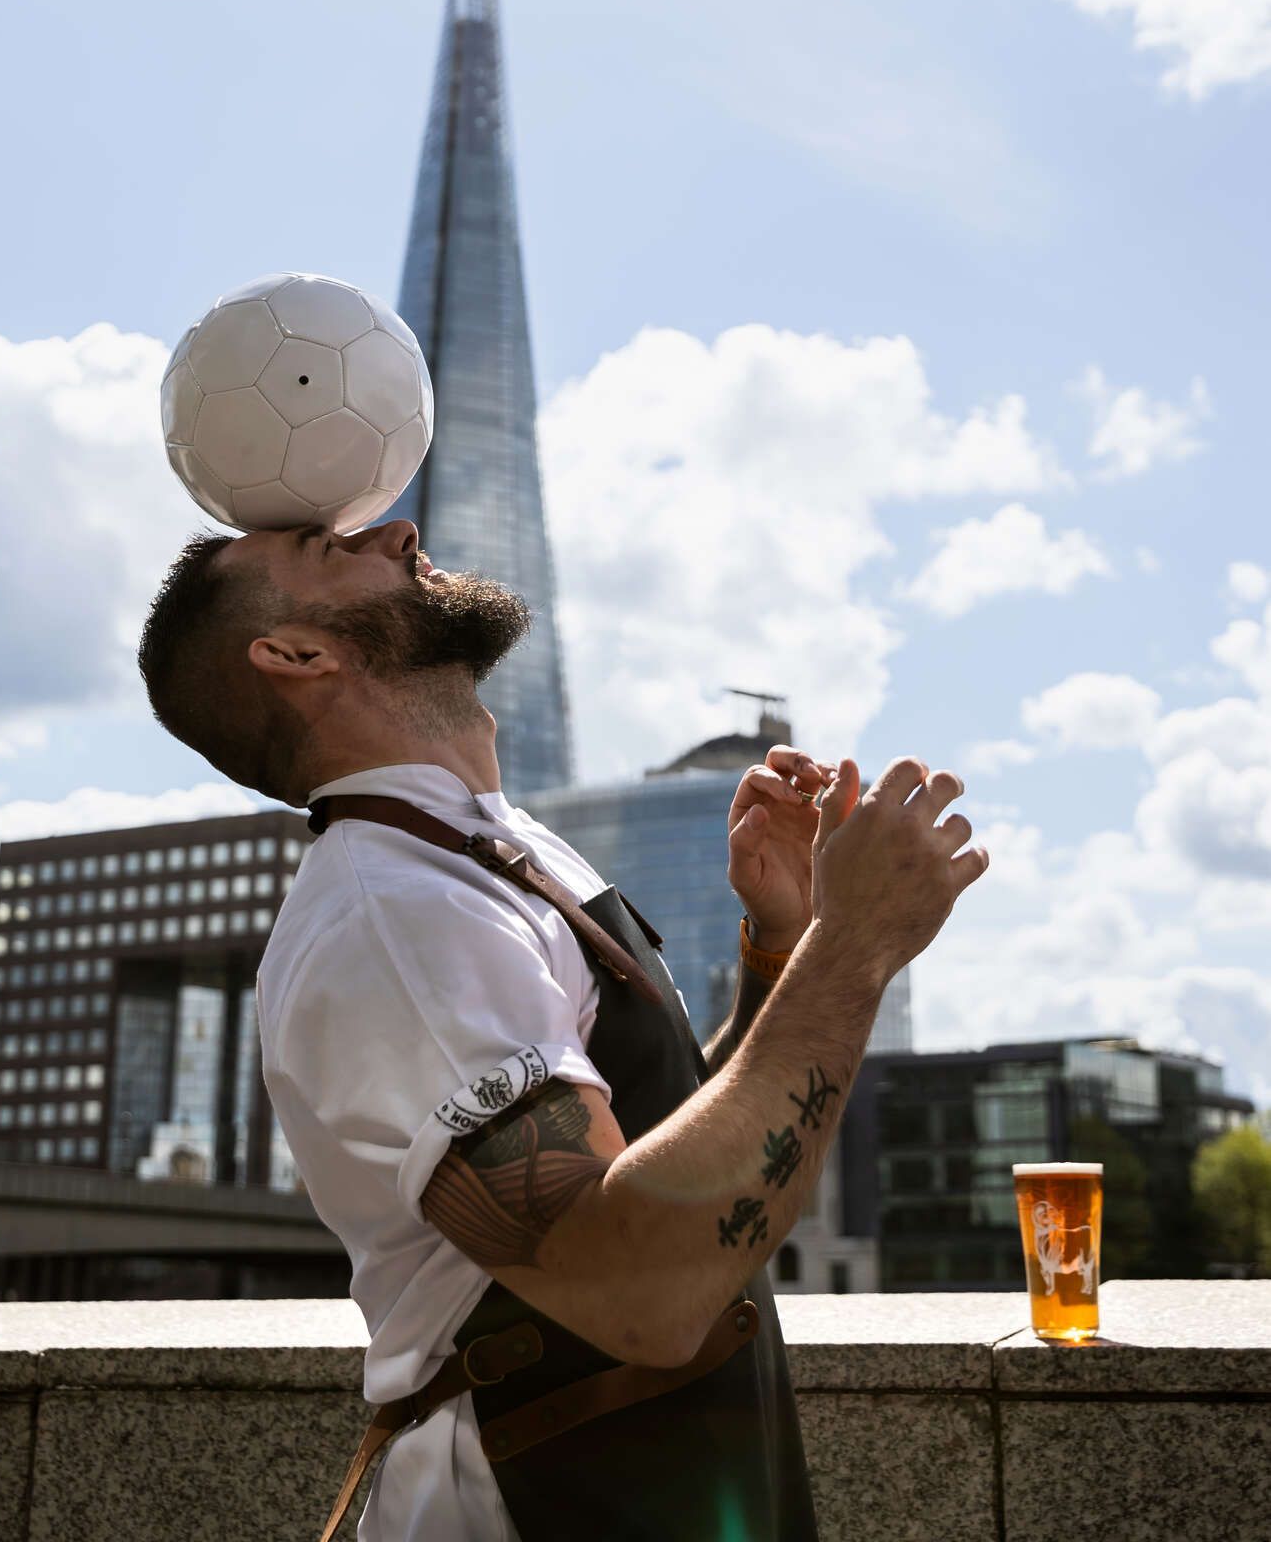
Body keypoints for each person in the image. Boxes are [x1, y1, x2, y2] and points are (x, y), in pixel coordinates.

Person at [137, 516, 988, 1542]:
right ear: (297, 654)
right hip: (543, 1502)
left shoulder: (478, 846)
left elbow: (657, 1164)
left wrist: (783, 947)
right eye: (332, 550)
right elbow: (638, 1287)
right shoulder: (398, 915)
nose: (397, 529)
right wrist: (851, 946)